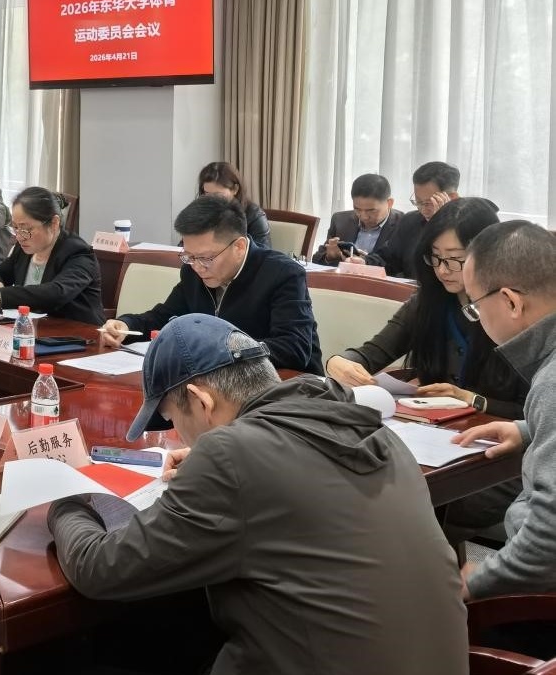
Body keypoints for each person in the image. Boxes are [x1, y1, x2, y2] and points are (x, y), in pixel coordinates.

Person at [49, 314, 468, 675]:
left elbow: (98, 568)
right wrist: (216, 458)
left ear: (200, 400)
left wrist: (64, 496)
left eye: (173, 419)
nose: (178, 434)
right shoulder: (374, 432)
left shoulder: (231, 457)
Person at [325, 199, 524, 542]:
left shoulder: (513, 311)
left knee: (393, 502)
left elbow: (537, 414)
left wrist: (472, 399)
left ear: (489, 256)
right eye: (436, 257)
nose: (443, 270)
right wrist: (337, 362)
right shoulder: (428, 303)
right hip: (432, 445)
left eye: (455, 259)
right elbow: (370, 353)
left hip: (498, 459)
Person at [100, 196, 322, 374]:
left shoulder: (282, 274)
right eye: (189, 256)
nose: (197, 267)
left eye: (206, 258)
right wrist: (126, 325)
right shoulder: (193, 271)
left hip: (287, 390)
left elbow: (294, 348)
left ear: (239, 247)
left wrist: (223, 349)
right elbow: (164, 316)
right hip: (222, 386)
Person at [455, 221, 556, 602]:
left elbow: (548, 541)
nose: (477, 318)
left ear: (511, 302)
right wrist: (528, 430)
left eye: (475, 306)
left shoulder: (552, 382)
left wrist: (476, 583)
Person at [0, 187, 104, 324]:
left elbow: (56, 293)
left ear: (54, 223)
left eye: (26, 229)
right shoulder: (25, 247)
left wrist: (0, 296)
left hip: (78, 332)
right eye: (15, 227)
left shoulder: (79, 253)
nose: (19, 236)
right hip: (31, 329)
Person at [383, 161, 463, 278]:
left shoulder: (468, 226)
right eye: (418, 202)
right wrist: (364, 262)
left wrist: (440, 222)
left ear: (453, 198)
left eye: (429, 203)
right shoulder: (410, 221)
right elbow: (388, 258)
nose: (423, 210)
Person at [311, 172, 403, 266]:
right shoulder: (340, 221)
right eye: (357, 209)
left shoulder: (403, 225)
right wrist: (330, 257)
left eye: (371, 210)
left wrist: (366, 263)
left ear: (389, 203)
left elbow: (402, 267)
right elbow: (316, 260)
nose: (364, 217)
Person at [196, 161, 271, 249]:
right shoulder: (200, 211)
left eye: (218, 195)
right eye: (207, 193)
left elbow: (262, 254)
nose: (212, 200)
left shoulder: (255, 216)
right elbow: (185, 246)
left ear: (235, 189)